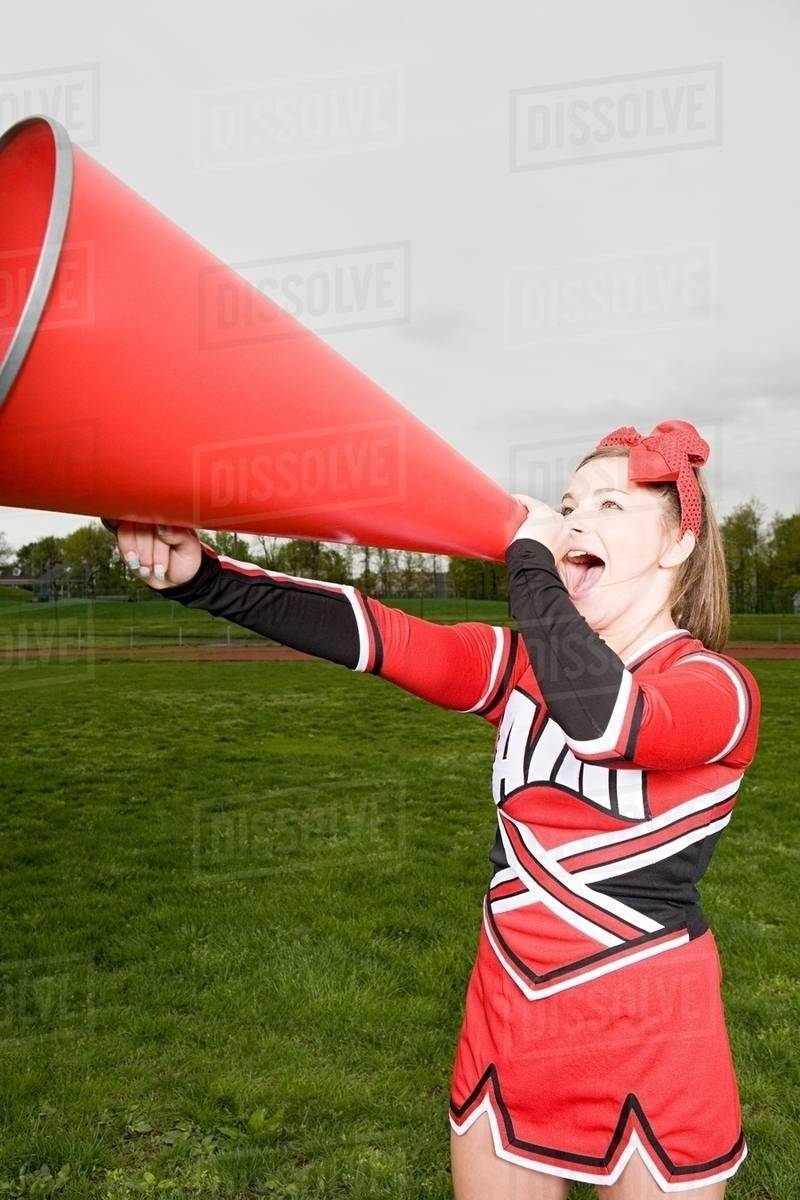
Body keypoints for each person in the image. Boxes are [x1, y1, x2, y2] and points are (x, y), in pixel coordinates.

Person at [101, 418, 760, 1199]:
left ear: (679, 544)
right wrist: (201, 578)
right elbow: (377, 634)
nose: (575, 521)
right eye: (568, 503)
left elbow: (606, 719)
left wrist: (530, 559)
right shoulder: (519, 669)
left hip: (650, 1026)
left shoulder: (718, 689)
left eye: (611, 508)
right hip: (509, 1007)